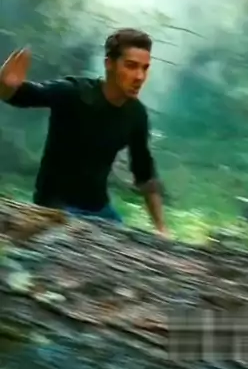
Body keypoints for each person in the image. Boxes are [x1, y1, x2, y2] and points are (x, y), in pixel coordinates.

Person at [0, 28, 167, 235]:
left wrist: (162, 229)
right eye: (131, 66)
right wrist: (6, 86)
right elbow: (23, 95)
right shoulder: (74, 93)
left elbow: (144, 173)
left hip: (99, 210)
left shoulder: (136, 114)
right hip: (55, 207)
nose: (140, 76)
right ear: (109, 64)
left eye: (145, 68)